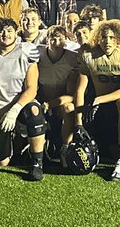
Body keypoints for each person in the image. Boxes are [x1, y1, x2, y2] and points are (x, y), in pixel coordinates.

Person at [0, 18, 45, 181]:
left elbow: (32, 88)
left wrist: (15, 110)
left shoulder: (26, 52)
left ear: (16, 33)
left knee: (34, 110)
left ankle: (37, 163)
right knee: (3, 162)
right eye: (2, 31)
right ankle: (15, 146)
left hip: (17, 108)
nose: (6, 34)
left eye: (10, 31)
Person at [73, 19, 120, 180]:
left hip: (119, 103)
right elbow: (80, 89)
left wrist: (99, 99)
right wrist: (78, 123)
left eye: (112, 37)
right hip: (99, 106)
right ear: (98, 38)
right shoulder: (88, 54)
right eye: (104, 37)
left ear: (119, 38)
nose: (108, 41)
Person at [35, 25, 84, 156]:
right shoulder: (37, 53)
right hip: (41, 96)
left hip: (60, 100)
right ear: (47, 40)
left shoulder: (72, 58)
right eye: (53, 39)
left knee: (69, 108)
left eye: (60, 39)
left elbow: (71, 94)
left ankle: (65, 148)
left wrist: (50, 104)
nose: (57, 43)